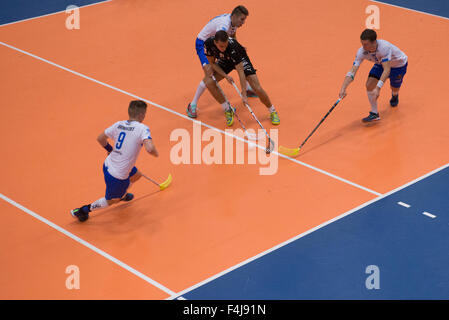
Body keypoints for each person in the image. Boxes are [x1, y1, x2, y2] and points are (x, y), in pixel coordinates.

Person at [70, 100, 158, 222]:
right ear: (141, 115)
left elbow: (100, 138)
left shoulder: (118, 124)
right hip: (117, 176)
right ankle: (82, 210)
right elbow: (150, 148)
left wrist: (110, 149)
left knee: (136, 176)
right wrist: (155, 153)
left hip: (108, 163)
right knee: (111, 201)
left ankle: (122, 194)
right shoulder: (142, 128)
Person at [188, 30, 280, 127]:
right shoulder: (209, 44)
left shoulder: (233, 47)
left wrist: (243, 93)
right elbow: (212, 63)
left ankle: (272, 111)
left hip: (240, 59)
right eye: (221, 46)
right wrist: (226, 76)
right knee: (209, 81)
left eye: (225, 45)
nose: (223, 48)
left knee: (256, 87)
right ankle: (227, 109)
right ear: (215, 42)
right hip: (225, 60)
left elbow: (240, 71)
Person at [188, 5, 257, 118]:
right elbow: (221, 41)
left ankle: (247, 88)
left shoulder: (233, 23)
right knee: (209, 74)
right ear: (235, 16)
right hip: (203, 44)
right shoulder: (223, 26)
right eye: (242, 19)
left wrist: (238, 47)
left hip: (216, 44)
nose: (243, 22)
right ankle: (193, 104)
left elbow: (232, 36)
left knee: (238, 58)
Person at [339, 29, 408, 122]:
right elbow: (353, 70)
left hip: (398, 65)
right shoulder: (362, 51)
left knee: (394, 88)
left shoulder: (384, 47)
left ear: (374, 42)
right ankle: (374, 113)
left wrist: (378, 88)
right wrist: (343, 88)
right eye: (362, 43)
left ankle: (395, 95)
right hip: (380, 63)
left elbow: (387, 69)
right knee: (369, 85)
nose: (363, 47)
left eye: (366, 44)